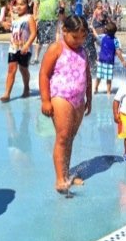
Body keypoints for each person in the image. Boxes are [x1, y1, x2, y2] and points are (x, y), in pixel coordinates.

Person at [39, 14, 92, 196]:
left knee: (70, 137)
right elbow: (44, 74)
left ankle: (66, 173)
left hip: (78, 100)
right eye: (74, 37)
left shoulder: (83, 51)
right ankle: (59, 179)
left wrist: (89, 98)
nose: (78, 41)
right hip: (61, 97)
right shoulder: (57, 48)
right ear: (64, 31)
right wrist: (45, 99)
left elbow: (88, 76)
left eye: (82, 37)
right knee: (62, 137)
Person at [0, 0, 37, 102]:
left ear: (27, 5)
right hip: (13, 47)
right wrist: (5, 24)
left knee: (23, 69)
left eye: (22, 4)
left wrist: (27, 45)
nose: (19, 7)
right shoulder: (14, 18)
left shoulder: (29, 18)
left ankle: (26, 87)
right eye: (17, 5)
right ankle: (7, 93)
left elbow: (34, 33)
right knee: (11, 69)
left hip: (25, 48)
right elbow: (11, 28)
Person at [32, 0, 65, 64]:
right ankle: (36, 58)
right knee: (40, 40)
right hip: (42, 18)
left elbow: (62, 3)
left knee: (52, 40)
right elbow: (36, 4)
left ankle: (49, 57)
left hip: (53, 19)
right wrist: (35, 16)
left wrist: (61, 13)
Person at [93, 22, 126, 95]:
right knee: (108, 78)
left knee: (99, 76)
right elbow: (118, 52)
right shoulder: (115, 40)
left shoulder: (103, 37)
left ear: (106, 30)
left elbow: (96, 36)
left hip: (101, 61)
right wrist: (123, 60)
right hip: (109, 62)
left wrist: (92, 29)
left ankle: (96, 88)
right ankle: (108, 92)